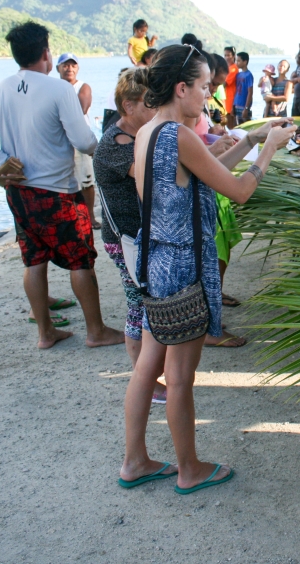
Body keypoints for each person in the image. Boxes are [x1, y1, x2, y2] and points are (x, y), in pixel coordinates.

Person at [120, 44, 295, 494]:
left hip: (154, 262)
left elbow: (205, 171)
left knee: (147, 367)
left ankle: (135, 461)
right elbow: (236, 191)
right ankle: (189, 468)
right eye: (202, 87)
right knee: (179, 377)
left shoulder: (149, 131)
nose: (208, 95)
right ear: (181, 88)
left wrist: (251, 139)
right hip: (183, 268)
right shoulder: (180, 136)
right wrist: (269, 150)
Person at [0, 22, 123, 350]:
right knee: (81, 259)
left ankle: (45, 332)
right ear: (46, 53)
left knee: (33, 259)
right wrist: (111, 149)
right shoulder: (60, 90)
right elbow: (82, 140)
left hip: (19, 191)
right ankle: (95, 331)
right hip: (59, 192)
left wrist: (4, 163)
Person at [93, 70, 167, 402]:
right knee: (138, 305)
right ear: (129, 105)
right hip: (125, 239)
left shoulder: (138, 133)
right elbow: (153, 174)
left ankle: (147, 375)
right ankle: (144, 381)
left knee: (146, 303)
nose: (156, 108)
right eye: (149, 103)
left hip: (141, 235)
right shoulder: (115, 144)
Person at [57, 53, 98, 230]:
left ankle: (90, 217)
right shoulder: (54, 87)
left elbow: (82, 108)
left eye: (73, 65)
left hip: (79, 138)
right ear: (58, 68)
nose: (69, 69)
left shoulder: (83, 87)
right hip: (59, 140)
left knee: (87, 179)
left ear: (78, 68)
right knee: (63, 180)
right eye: (65, 65)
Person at [233, 52, 254, 125]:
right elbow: (235, 90)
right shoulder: (238, 74)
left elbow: (250, 92)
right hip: (236, 105)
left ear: (245, 62)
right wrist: (233, 105)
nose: (236, 63)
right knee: (238, 127)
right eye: (236, 61)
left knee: (246, 127)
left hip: (243, 106)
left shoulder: (248, 75)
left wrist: (246, 108)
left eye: (238, 61)